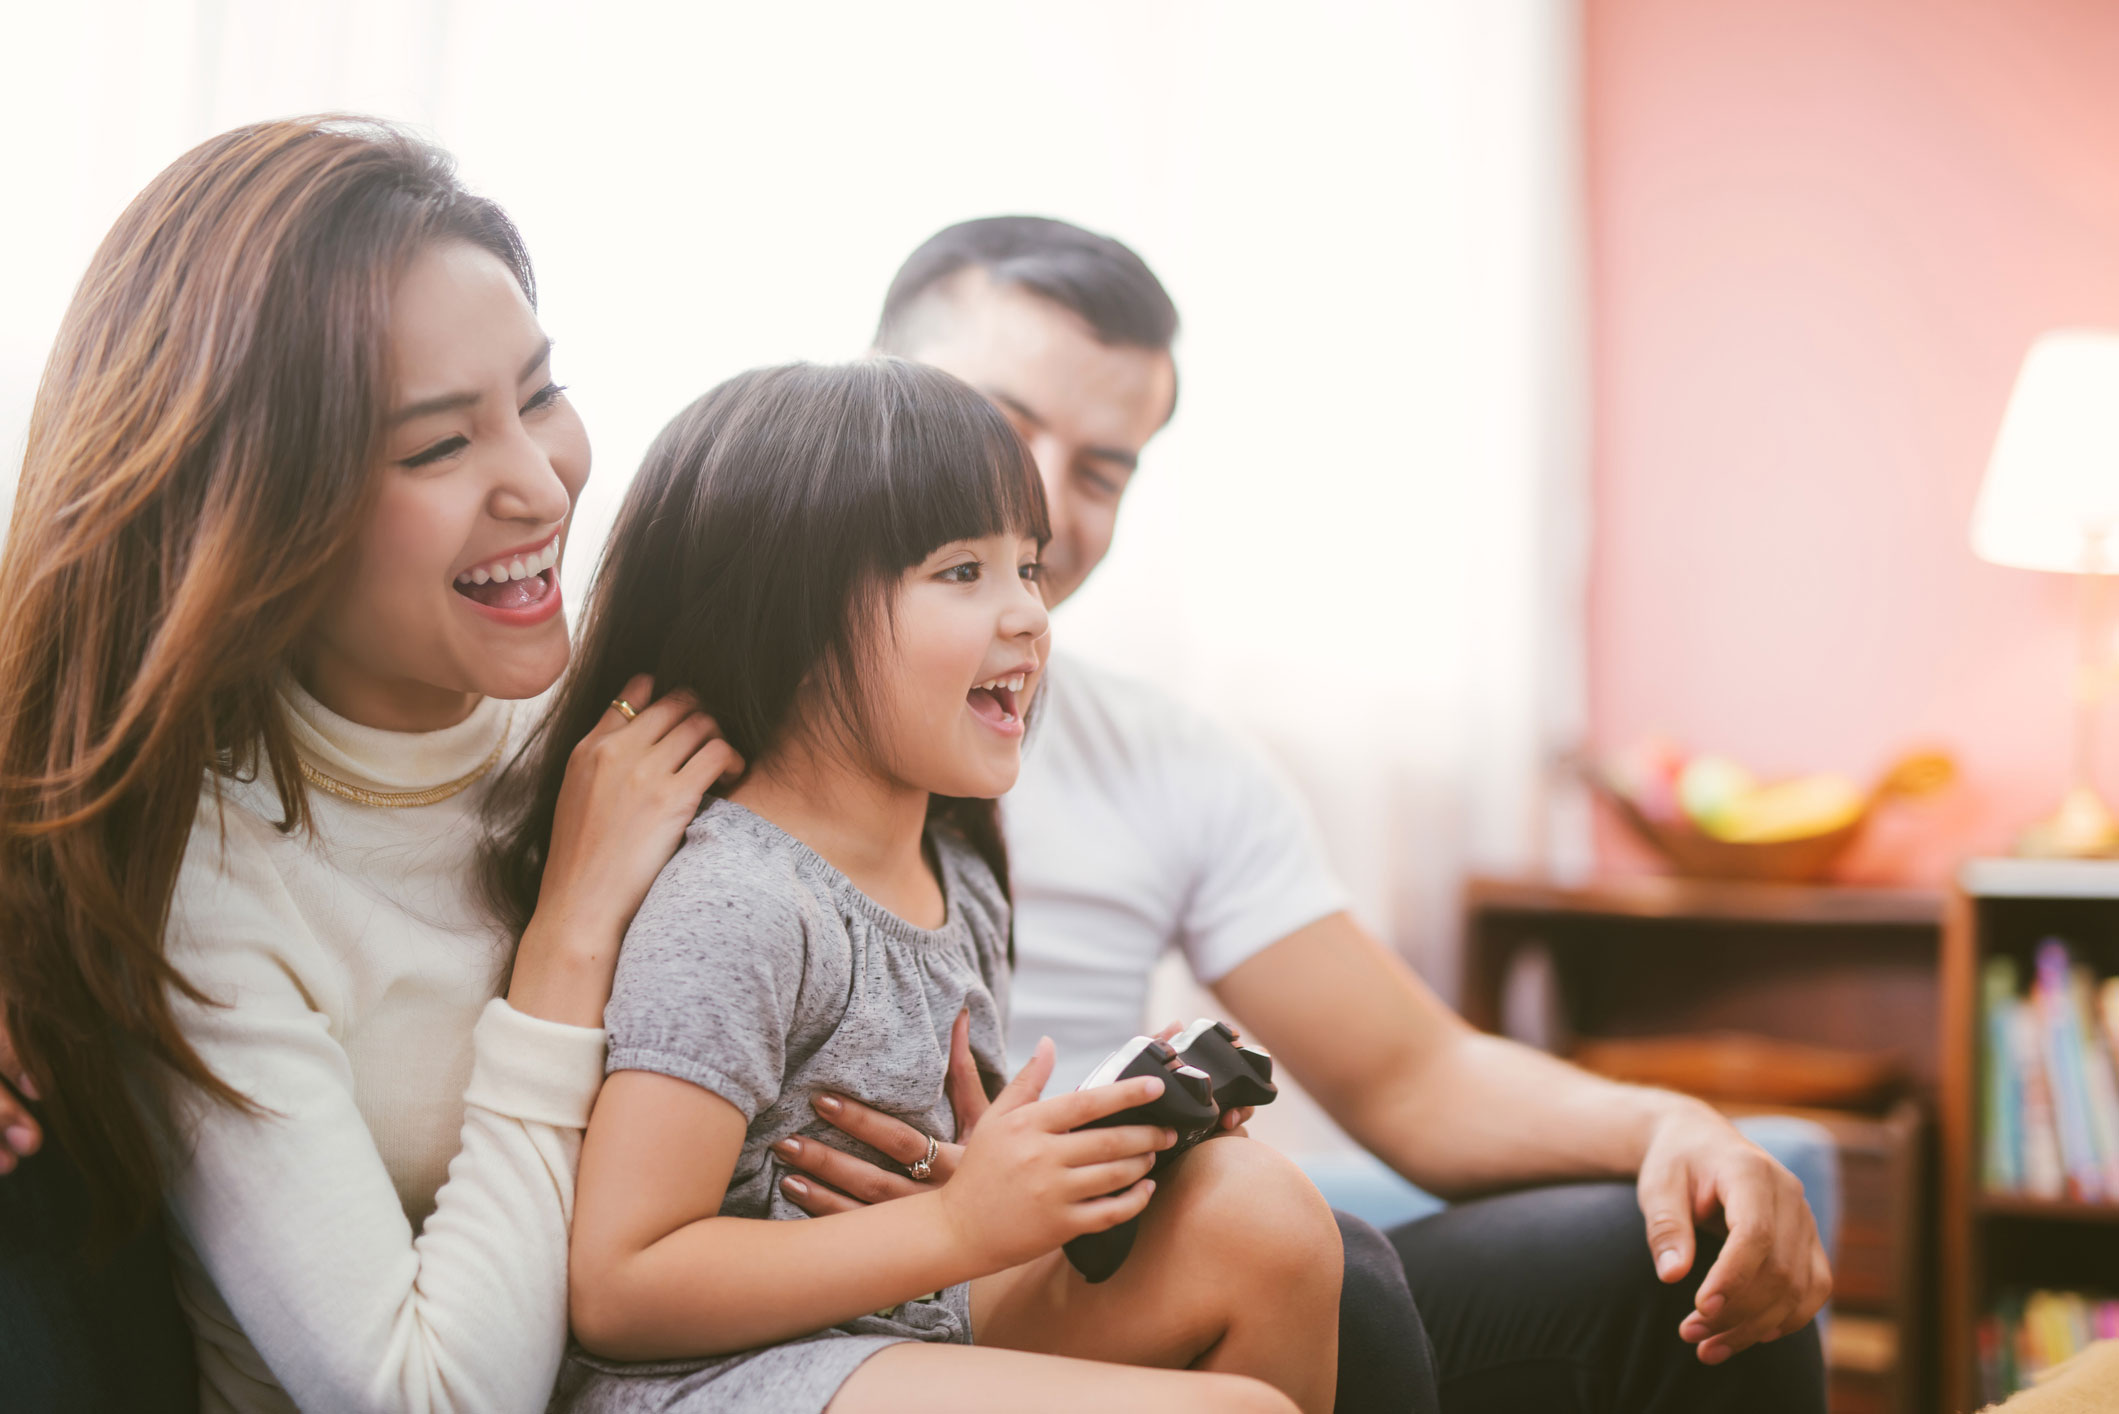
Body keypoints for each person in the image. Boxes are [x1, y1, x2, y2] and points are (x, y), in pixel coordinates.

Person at [773, 217, 1834, 1413]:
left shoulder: (1163, 757)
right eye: (1002, 424)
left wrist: (1675, 1125)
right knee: (1321, 1263)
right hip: (876, 1313)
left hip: (1105, 1273)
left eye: (1103, 471)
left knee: (1674, 1258)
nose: (1045, 505)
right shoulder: (719, 729)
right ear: (871, 400)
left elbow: (1415, 1072)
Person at [0, 117, 738, 1412]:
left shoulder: (626, 724)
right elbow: (424, 1395)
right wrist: (565, 934)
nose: (541, 483)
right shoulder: (204, 874)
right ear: (257, 508)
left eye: (541, 394)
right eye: (438, 447)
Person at [495, 358, 1341, 1414]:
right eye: (961, 572)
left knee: (1264, 1215)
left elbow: (944, 1209)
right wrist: (953, 1227)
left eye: (1025, 568)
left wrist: (1018, 1174)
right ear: (790, 613)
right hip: (712, 1377)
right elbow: (620, 1288)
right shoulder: (742, 902)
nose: (1030, 614)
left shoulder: (961, 864)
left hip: (896, 1314)